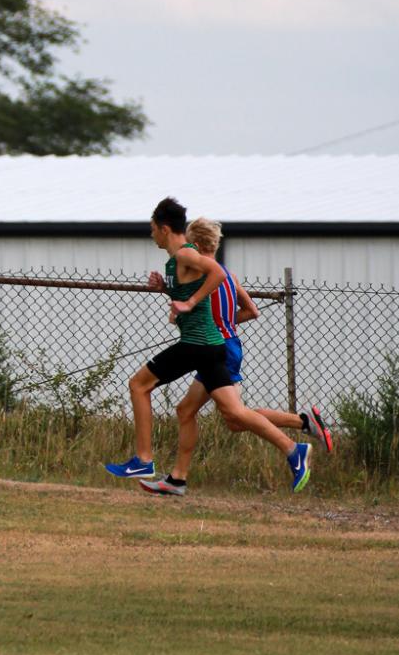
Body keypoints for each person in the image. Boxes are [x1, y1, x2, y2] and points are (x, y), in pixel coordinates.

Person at [104, 196, 313, 493]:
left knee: (139, 385)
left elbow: (216, 271)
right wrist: (167, 290)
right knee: (235, 414)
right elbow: (192, 290)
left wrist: (190, 300)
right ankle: (294, 450)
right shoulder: (176, 262)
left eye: (152, 229)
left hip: (197, 344)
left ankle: (143, 458)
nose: (150, 235)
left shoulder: (185, 256)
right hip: (213, 346)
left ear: (164, 229)